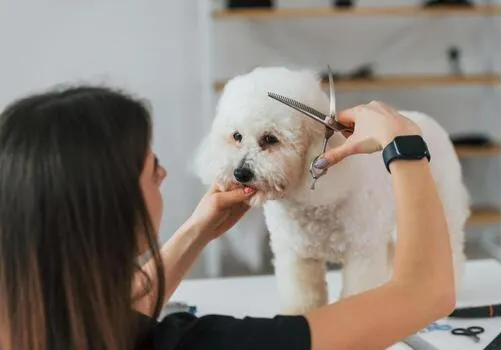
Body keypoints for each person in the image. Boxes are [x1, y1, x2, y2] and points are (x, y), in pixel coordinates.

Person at [0, 86, 455, 350]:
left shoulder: (39, 321)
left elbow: (111, 322)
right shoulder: (195, 345)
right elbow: (428, 295)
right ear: (108, 212)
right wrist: (405, 146)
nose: (165, 174)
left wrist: (199, 229)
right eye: (152, 169)